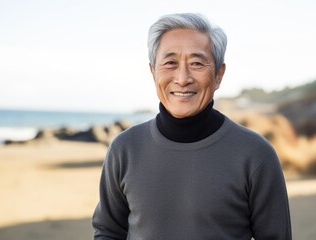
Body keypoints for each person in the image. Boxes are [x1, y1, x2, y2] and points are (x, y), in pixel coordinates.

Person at [92, 12, 292, 239]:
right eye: (170, 63)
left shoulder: (256, 154)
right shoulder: (124, 148)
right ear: (153, 72)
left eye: (197, 63)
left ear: (218, 75)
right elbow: (108, 231)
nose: (183, 78)